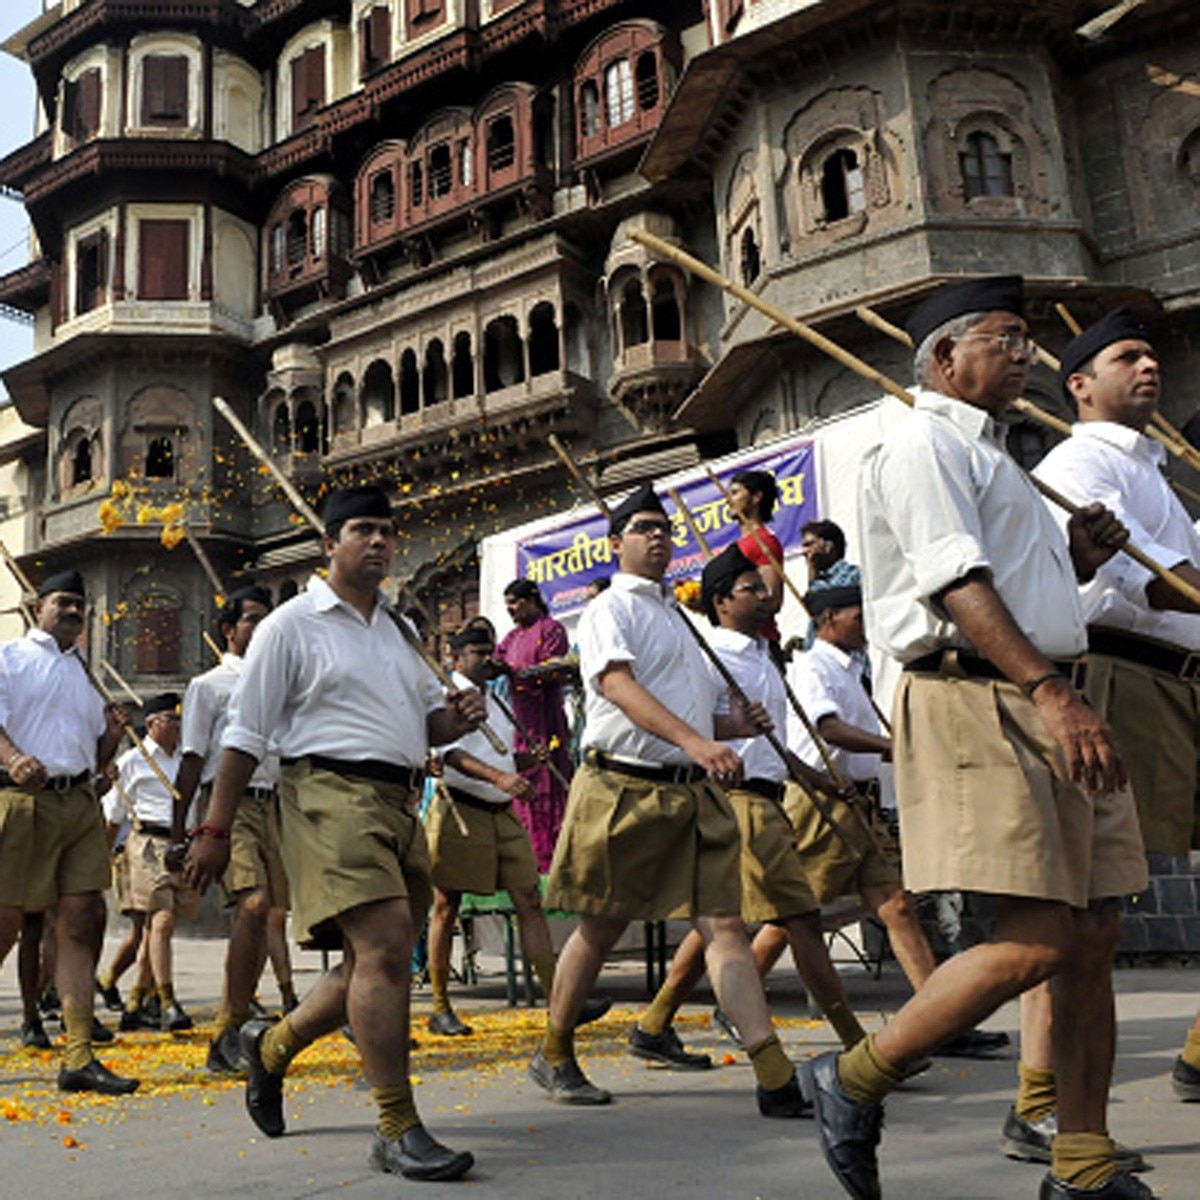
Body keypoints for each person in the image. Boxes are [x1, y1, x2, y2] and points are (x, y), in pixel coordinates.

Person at [803, 275, 1151, 1200]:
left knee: (1095, 931)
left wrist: (1076, 559)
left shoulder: (1003, 456)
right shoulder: (919, 441)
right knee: (1038, 942)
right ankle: (852, 1076)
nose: (1027, 351)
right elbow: (957, 587)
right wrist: (1049, 692)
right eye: (1006, 336)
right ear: (945, 357)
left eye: (1028, 337)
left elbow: (1022, 588)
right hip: (987, 696)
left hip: (1046, 693)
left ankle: (1081, 1162)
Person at [185, 485, 487, 1183]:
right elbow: (245, 734)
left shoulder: (401, 630)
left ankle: (271, 1049)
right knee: (383, 947)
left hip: (400, 796)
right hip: (326, 792)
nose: (378, 541)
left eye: (386, 530)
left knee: (368, 964)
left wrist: (459, 718)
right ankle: (397, 1126)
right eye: (362, 530)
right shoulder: (288, 626)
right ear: (330, 543)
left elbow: (425, 726)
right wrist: (214, 828)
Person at [529, 482, 807, 1118]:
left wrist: (736, 725)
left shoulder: (680, 618)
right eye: (643, 528)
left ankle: (774, 1074)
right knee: (600, 928)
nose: (658, 537)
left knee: (725, 927)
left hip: (689, 793)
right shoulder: (608, 611)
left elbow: (699, 712)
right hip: (623, 787)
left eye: (664, 528)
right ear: (615, 542)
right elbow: (618, 687)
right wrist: (698, 741)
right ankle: (554, 1049)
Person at [1034, 309, 1200, 1117]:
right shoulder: (1079, 460)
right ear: (1079, 384)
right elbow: (1158, 582)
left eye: (1151, 356)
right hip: (1122, 681)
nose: (1148, 367)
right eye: (1126, 357)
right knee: (1084, 906)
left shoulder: (1156, 470)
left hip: (1183, 679)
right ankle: (1040, 1097)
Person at [628, 545, 871, 1077]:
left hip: (773, 798)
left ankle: (652, 1024)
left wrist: (821, 784)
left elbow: (776, 748)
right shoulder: (709, 656)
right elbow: (698, 730)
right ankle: (856, 1041)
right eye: (751, 589)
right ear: (720, 601)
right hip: (736, 804)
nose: (765, 596)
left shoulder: (765, 658)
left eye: (764, 588)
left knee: (720, 924)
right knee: (801, 921)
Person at [760, 584, 1007, 1060]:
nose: (866, 625)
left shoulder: (853, 671)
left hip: (858, 804)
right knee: (795, 914)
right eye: (857, 616)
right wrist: (896, 747)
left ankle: (942, 1018)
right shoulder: (812, 667)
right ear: (828, 618)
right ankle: (739, 998)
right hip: (819, 804)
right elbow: (827, 728)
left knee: (896, 906)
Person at [425, 624, 608, 1037]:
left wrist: (526, 763)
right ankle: (440, 1006)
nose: (485, 660)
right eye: (475, 652)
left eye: (489, 652)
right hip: (462, 810)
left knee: (529, 899)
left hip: (502, 810)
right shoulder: (444, 695)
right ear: (456, 657)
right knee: (446, 905)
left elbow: (502, 757)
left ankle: (558, 999)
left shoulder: (498, 700)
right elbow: (449, 755)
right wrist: (499, 777)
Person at [0, 568, 137, 1094]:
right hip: (22, 802)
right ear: (39, 608)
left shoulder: (87, 674)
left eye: (80, 606)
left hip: (80, 804)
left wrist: (112, 741)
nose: (73, 612)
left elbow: (93, 756)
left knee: (83, 920)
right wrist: (12, 758)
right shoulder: (11, 659)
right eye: (63, 603)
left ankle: (78, 1054)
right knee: (6, 926)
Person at [175, 584, 287, 1072]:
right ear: (228, 630)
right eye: (252, 620)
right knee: (254, 903)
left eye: (268, 619)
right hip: (227, 805)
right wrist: (180, 832)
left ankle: (237, 1020)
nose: (262, 628)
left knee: (268, 916)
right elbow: (192, 758)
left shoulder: (283, 682)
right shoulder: (210, 685)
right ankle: (226, 1030)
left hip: (275, 805)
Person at [116, 692, 197, 1032]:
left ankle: (134, 1000)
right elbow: (112, 813)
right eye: (170, 719)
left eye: (180, 719)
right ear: (151, 725)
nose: (177, 726)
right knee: (160, 922)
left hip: (181, 845)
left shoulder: (189, 760)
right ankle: (168, 1000)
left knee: (155, 929)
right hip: (147, 845)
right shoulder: (133, 761)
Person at [494, 579, 574, 872]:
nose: (511, 611)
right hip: (519, 719)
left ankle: (555, 859)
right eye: (508, 606)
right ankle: (528, 858)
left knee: (549, 781)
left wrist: (520, 673)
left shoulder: (551, 629)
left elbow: (554, 668)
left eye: (515, 603)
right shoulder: (512, 637)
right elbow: (496, 660)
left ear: (531, 600)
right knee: (525, 779)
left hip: (546, 717)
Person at [727, 469, 785, 645]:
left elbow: (772, 600)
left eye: (735, 493)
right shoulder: (738, 545)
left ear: (756, 497)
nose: (728, 499)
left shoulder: (764, 542)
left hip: (761, 644)